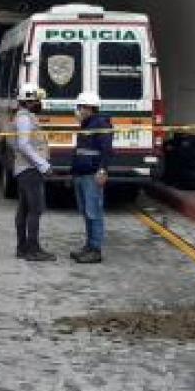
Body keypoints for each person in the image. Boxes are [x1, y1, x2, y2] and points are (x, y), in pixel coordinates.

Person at [13, 85, 56, 261]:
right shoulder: (24, 118)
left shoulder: (26, 117)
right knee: (35, 210)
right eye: (37, 100)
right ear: (29, 100)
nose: (40, 103)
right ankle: (32, 249)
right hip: (30, 170)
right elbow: (24, 145)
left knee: (24, 209)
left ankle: (22, 248)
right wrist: (43, 165)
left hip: (26, 169)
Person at [70, 92, 113, 264]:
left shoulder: (101, 123)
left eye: (80, 107)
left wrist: (102, 170)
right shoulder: (86, 124)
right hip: (81, 173)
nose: (78, 110)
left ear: (89, 108)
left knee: (94, 212)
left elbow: (107, 150)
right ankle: (88, 246)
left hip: (92, 175)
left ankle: (95, 249)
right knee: (87, 212)